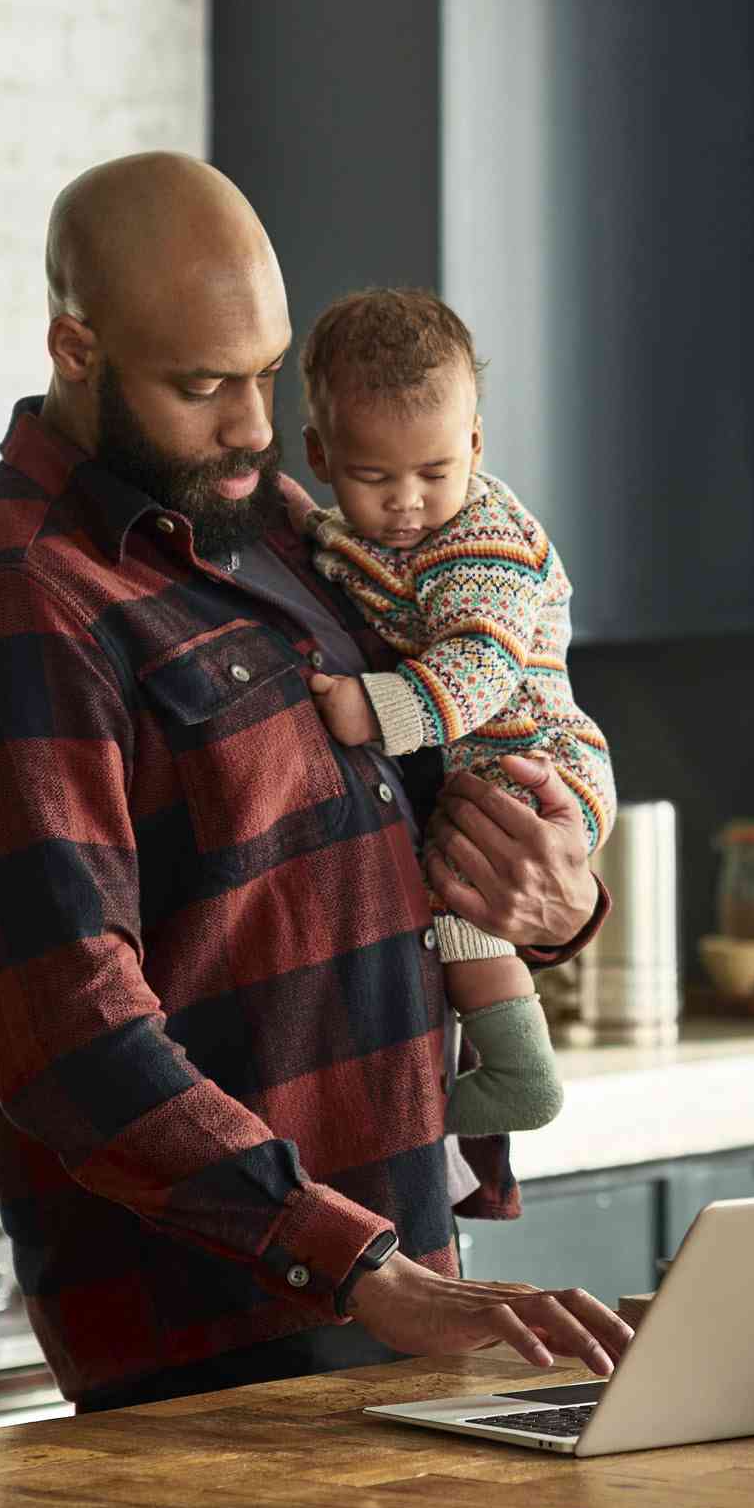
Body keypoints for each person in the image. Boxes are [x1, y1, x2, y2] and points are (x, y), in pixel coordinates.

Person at [0, 153, 635, 1413]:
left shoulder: (275, 524)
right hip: (218, 1345)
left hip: (402, 1288)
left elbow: (419, 802)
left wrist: (556, 900)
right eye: (201, 386)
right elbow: (74, 1040)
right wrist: (364, 1266)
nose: (250, 426)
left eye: (267, 375)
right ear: (75, 346)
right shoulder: (16, 612)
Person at [272, 287, 615, 1140]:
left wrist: (371, 709)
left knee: (460, 889)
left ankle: (520, 1074)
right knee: (449, 889)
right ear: (319, 453)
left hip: (534, 757)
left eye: (434, 472)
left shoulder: (481, 540)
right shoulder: (356, 536)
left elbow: (484, 664)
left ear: (474, 444)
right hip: (477, 756)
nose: (408, 502)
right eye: (372, 476)